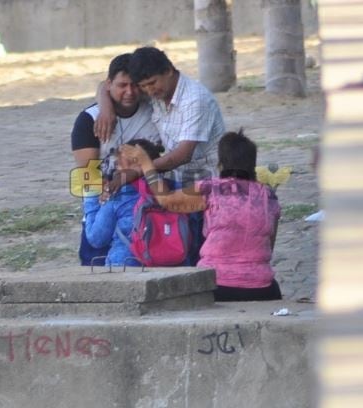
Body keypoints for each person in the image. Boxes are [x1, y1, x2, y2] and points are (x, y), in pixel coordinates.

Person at [96, 46, 226, 265]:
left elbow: (182, 155)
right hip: (170, 185)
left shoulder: (195, 100)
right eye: (144, 86)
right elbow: (107, 84)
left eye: (152, 83)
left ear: (168, 71)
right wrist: (106, 107)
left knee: (196, 253)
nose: (149, 90)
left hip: (205, 187)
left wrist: (136, 171)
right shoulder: (156, 94)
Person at [120, 130, 283, 301]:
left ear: (221, 164)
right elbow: (268, 247)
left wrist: (146, 164)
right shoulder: (269, 196)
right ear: (253, 164)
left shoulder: (211, 189)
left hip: (216, 285)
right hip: (262, 288)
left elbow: (165, 199)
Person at [71, 53, 160, 266]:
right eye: (122, 85)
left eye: (135, 85)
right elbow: (88, 172)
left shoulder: (155, 111)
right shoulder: (89, 120)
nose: (129, 92)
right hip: (106, 207)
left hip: (149, 207)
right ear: (109, 84)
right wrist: (98, 205)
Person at [83, 139, 164, 266]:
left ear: (137, 163)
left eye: (118, 164)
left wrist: (91, 197)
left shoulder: (119, 196)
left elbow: (96, 238)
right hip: (168, 262)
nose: (114, 170)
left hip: (124, 264)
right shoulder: (168, 188)